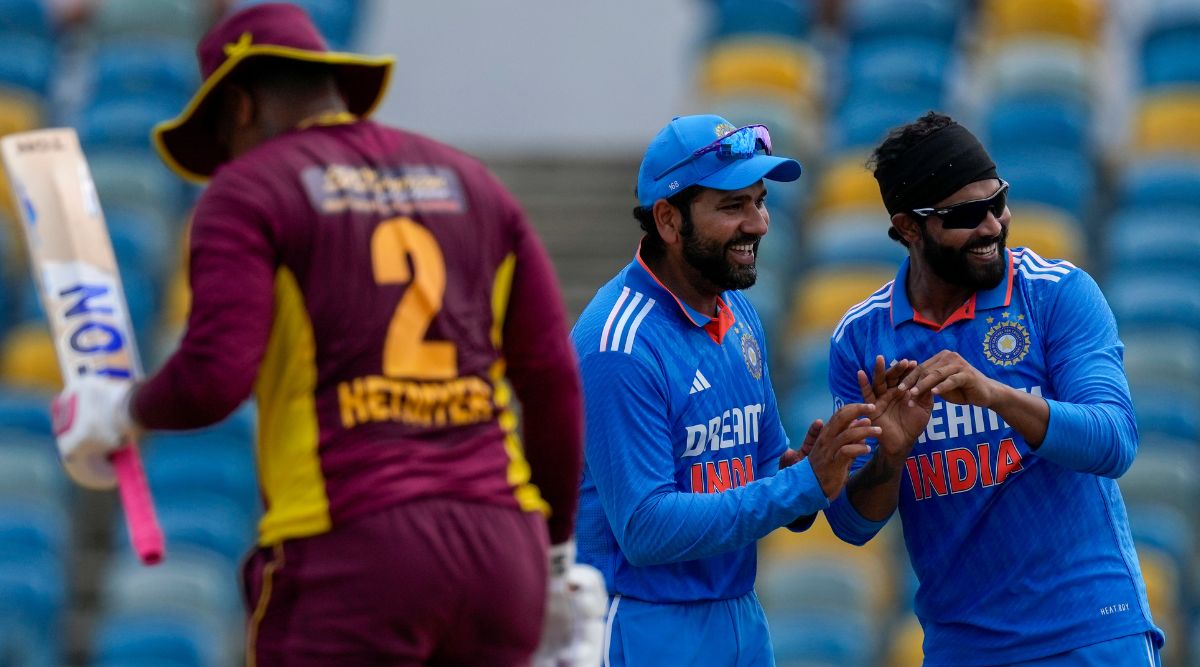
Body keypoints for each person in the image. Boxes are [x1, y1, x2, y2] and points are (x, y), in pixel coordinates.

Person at [51, 4, 603, 665]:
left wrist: (122, 409)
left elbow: (214, 377)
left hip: (351, 547)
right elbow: (552, 381)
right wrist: (555, 556)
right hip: (499, 556)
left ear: (240, 107)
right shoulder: (474, 184)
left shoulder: (249, 189)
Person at [825, 111, 1164, 666]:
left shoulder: (1056, 294)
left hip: (1091, 631)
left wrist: (995, 395)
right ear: (908, 228)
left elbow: (1114, 441)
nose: (991, 226)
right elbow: (852, 526)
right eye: (965, 214)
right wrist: (889, 459)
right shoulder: (860, 339)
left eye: (997, 202)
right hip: (964, 647)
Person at [570, 114, 881, 666]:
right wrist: (800, 485)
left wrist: (807, 468)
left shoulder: (737, 313)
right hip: (644, 627)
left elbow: (762, 472)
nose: (759, 224)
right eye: (733, 206)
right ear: (669, 220)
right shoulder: (619, 344)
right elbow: (646, 529)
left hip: (739, 619)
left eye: (760, 202)